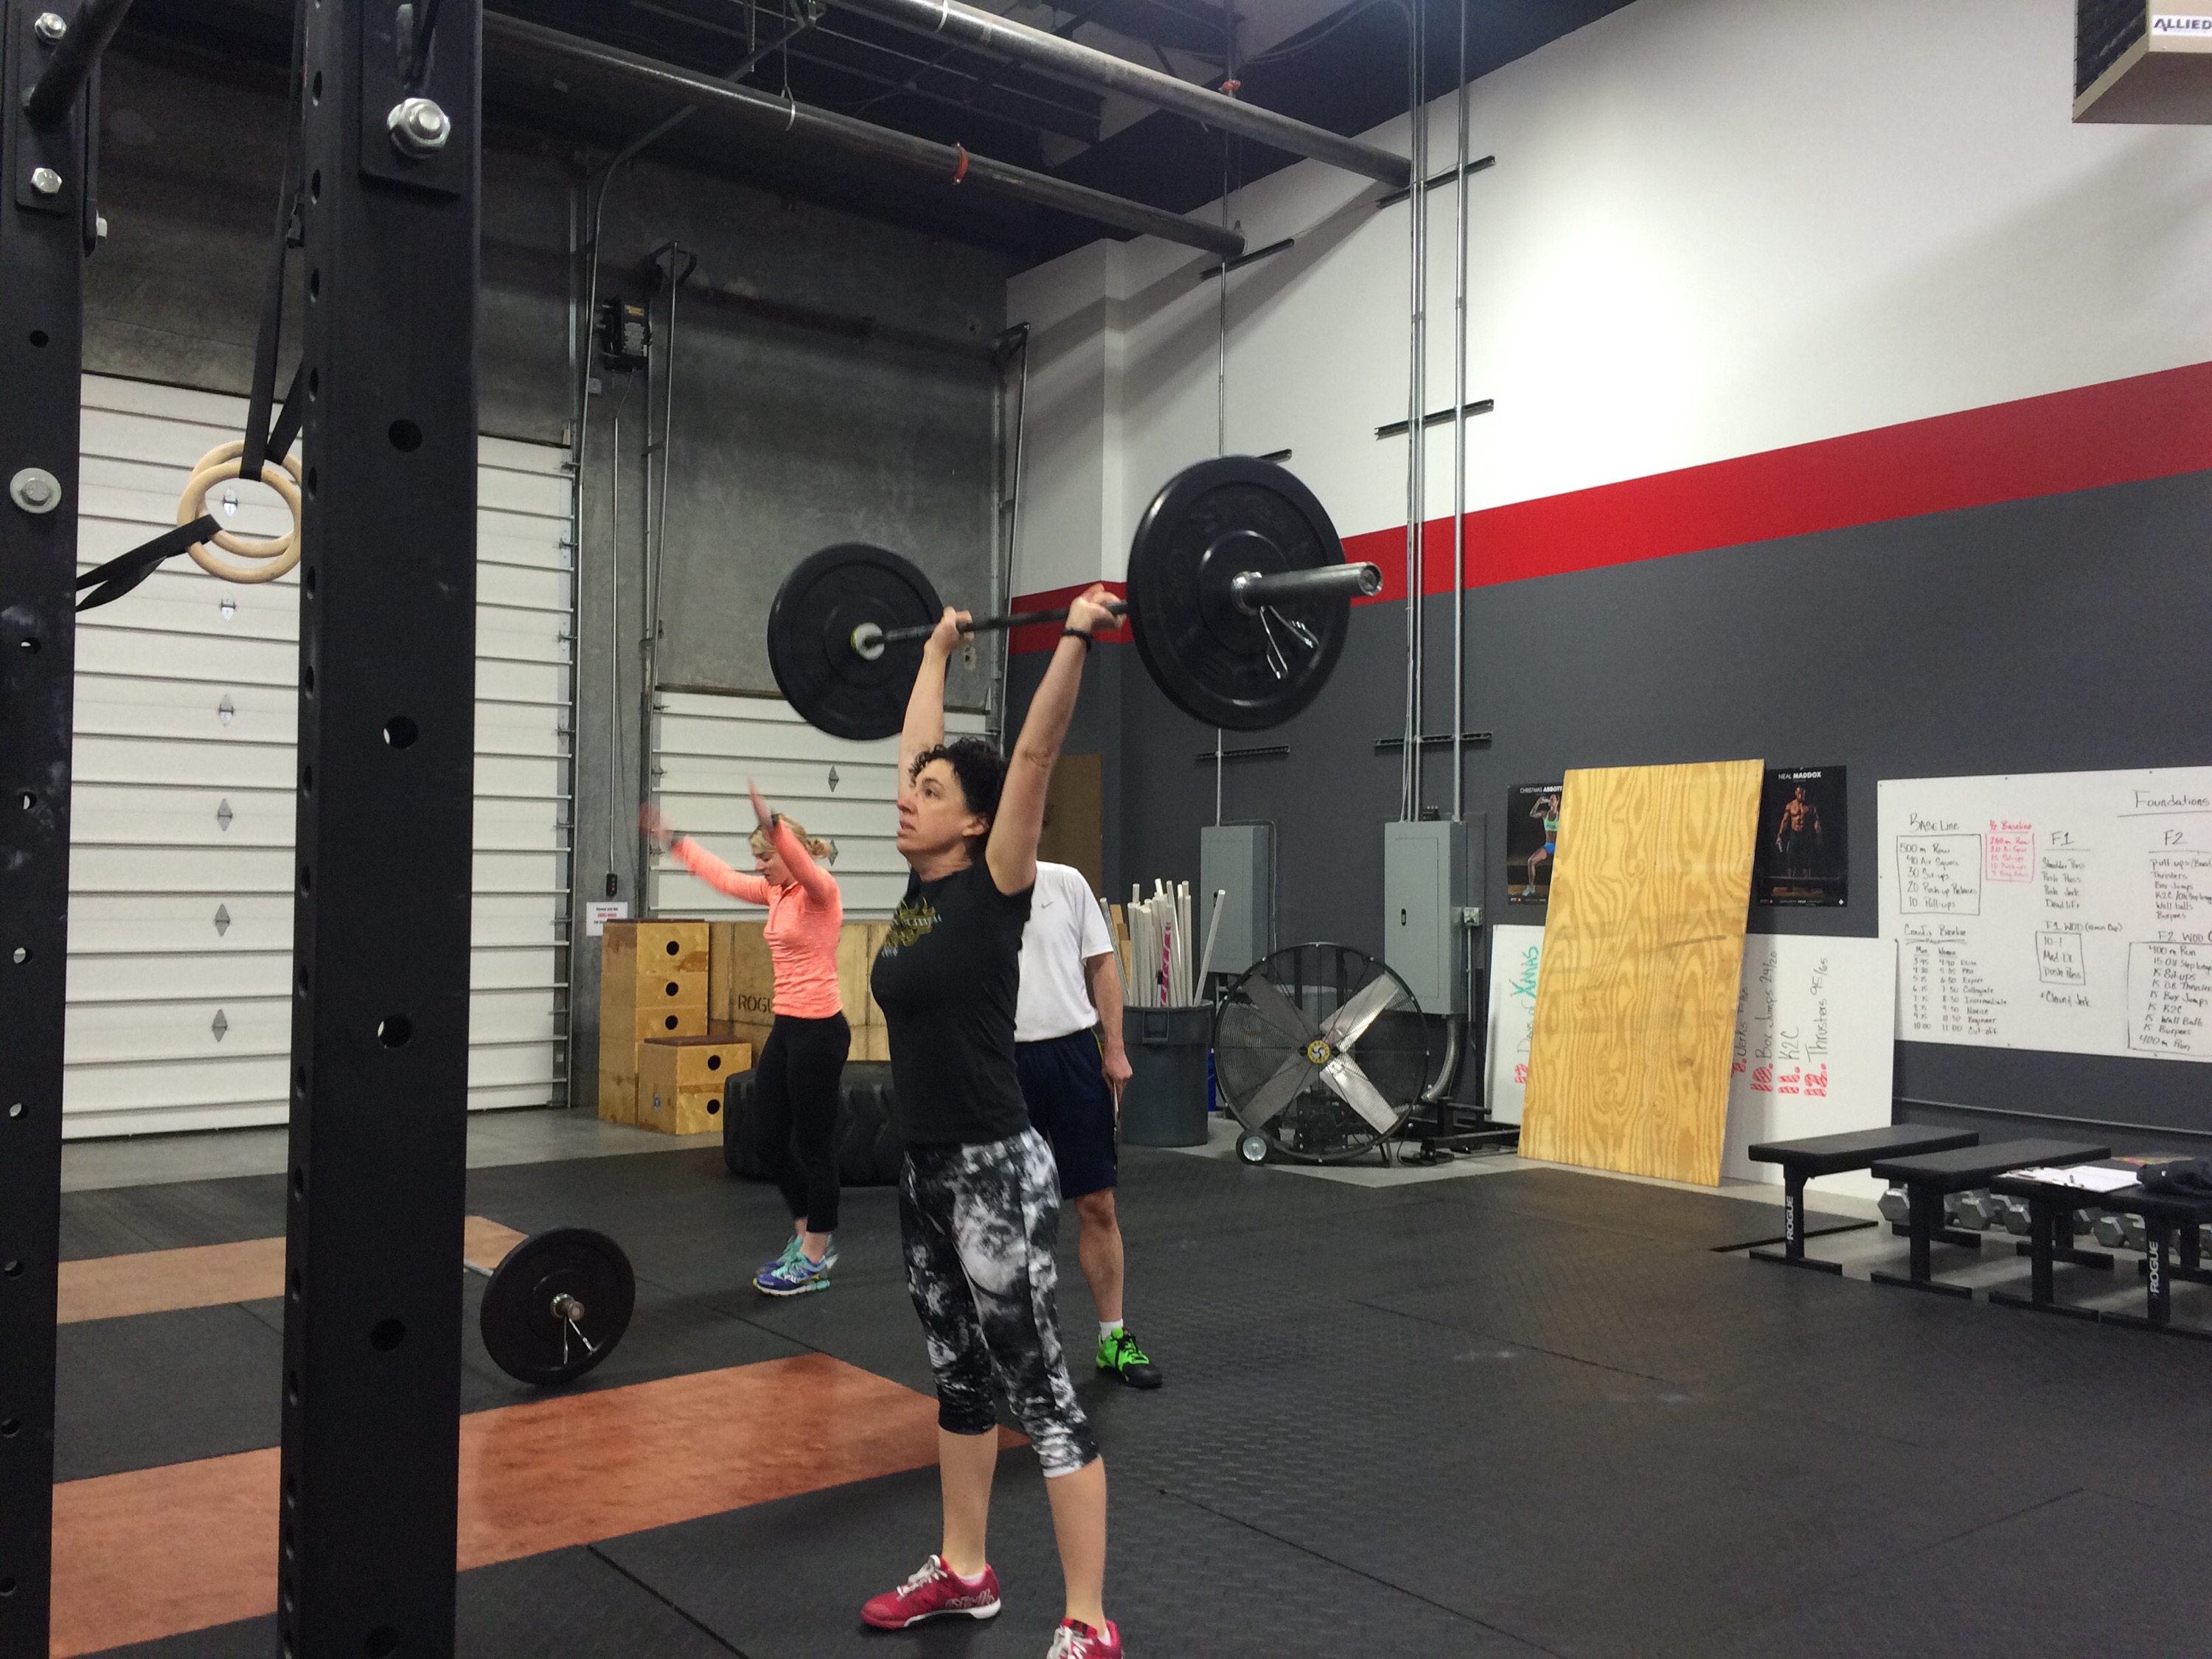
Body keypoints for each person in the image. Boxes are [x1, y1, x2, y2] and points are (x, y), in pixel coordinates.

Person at [862, 588, 1122, 1658]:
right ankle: (964, 1571)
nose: (908, 799)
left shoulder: (995, 885)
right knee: (958, 1377)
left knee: (1040, 1390)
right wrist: (933, 650)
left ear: (974, 821)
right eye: (912, 788)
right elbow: (918, 746)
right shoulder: (919, 889)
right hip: (924, 1168)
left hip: (994, 1172)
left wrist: (1073, 638)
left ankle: (1089, 1621)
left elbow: (1034, 757)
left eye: (931, 793)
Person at [643, 785, 848, 1297]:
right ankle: (803, 1237)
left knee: (815, 1146)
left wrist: (772, 821)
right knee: (769, 1139)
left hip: (820, 1031)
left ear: (788, 853)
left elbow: (801, 866)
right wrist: (675, 841)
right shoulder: (776, 893)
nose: (758, 867)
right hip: (788, 1027)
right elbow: (724, 878)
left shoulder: (820, 891)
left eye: (765, 857)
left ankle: (816, 1256)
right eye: (757, 857)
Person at [1014, 860, 1159, 1391]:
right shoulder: (969, 887)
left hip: (1074, 1056)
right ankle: (1016, 1348)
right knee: (1010, 1215)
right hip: (1003, 1062)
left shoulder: (1066, 883)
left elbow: (1101, 965)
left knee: (1098, 1202)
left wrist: (1115, 1048)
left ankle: (1113, 1338)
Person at [1522, 790, 1560, 897]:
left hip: (1559, 847)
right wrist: (1538, 802)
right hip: (1548, 846)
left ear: (1558, 801)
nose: (1550, 801)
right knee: (1531, 861)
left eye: (1553, 799)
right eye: (1550, 799)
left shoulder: (1561, 815)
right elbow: (1532, 814)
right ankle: (1531, 887)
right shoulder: (1545, 814)